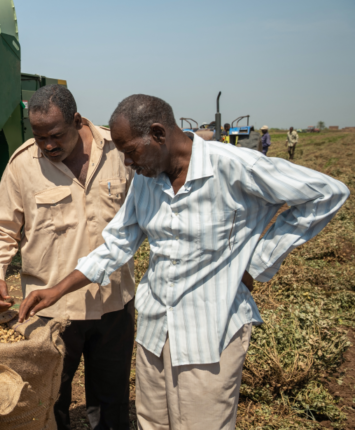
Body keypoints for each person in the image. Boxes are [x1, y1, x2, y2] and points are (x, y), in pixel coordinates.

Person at [18, 94, 349, 429]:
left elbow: (326, 193)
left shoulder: (232, 167)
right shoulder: (148, 180)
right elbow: (116, 244)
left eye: (131, 152)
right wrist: (57, 289)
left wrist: (257, 265)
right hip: (155, 330)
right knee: (153, 422)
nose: (129, 164)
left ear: (159, 134)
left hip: (210, 332)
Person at [0, 85, 135, 429]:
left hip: (113, 303)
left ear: (77, 121)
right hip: (50, 311)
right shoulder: (23, 165)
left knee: (111, 402)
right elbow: (2, 227)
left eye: (56, 135)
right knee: (50, 401)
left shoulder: (118, 152)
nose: (48, 145)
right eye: (39, 137)